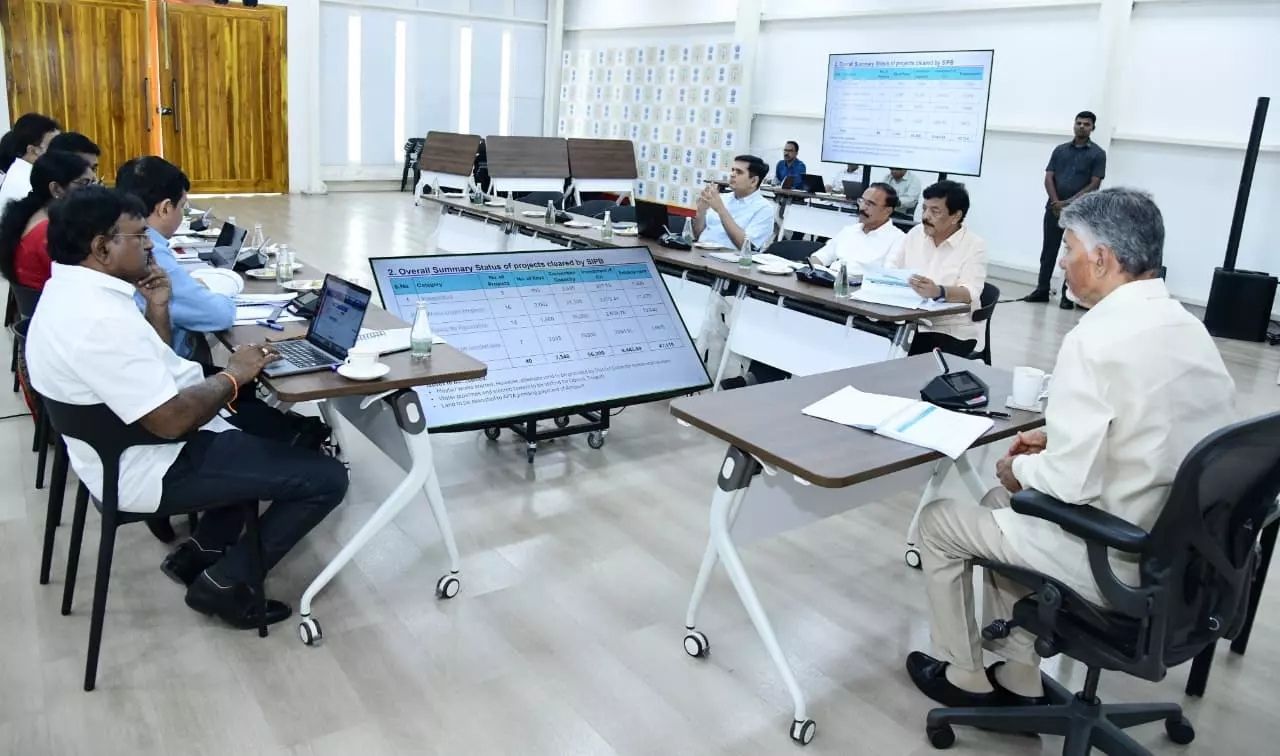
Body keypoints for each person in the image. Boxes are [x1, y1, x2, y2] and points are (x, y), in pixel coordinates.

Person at [904, 187, 1235, 711]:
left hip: (1113, 556)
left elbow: (1068, 484)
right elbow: (1153, 427)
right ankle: (1019, 672)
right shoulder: (1189, 329)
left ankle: (963, 674)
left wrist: (1020, 467)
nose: (1061, 263)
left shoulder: (1095, 338)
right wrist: (1055, 439)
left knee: (940, 521)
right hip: (1180, 558)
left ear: (1101, 259)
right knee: (997, 505)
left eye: (1068, 249)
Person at [25, 186, 348, 628]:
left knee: (265, 434)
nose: (149, 245)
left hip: (122, 446)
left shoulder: (71, 294)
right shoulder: (99, 320)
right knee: (327, 477)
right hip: (150, 461)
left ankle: (200, 552)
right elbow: (171, 420)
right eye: (139, 236)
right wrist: (233, 375)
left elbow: (149, 368)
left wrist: (159, 309)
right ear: (101, 248)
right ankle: (224, 585)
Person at [115, 156, 234, 359]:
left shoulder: (119, 238)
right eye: (182, 206)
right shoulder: (150, 253)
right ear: (165, 208)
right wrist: (221, 290)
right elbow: (219, 315)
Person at [884, 180, 987, 356]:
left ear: (956, 216)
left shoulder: (974, 246)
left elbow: (971, 293)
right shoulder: (916, 233)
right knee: (870, 338)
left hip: (949, 330)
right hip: (908, 320)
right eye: (924, 209)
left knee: (901, 354)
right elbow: (891, 266)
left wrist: (939, 291)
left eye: (935, 211)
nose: (926, 216)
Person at [1024, 111, 1107, 309]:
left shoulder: (1098, 154)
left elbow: (1094, 184)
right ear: (1074, 125)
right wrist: (1056, 202)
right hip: (1054, 209)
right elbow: (1049, 177)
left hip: (1080, 213)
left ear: (1092, 128)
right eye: (1078, 123)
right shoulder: (1060, 150)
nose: (1081, 126)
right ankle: (1042, 290)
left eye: (1086, 124)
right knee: (1048, 251)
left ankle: (1067, 296)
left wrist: (1068, 204)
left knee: (1075, 254)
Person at [0, 151, 96, 291]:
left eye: (94, 182)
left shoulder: (36, 216)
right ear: (56, 189)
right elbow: (84, 277)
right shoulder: (47, 232)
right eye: (85, 183)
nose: (93, 191)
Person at [809, 182, 905, 273]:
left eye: (870, 204)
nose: (862, 207)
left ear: (887, 211)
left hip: (860, 283)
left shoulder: (898, 239)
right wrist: (809, 269)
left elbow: (888, 276)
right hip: (831, 279)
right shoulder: (850, 230)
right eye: (861, 201)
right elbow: (822, 256)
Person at [694, 154, 775, 251]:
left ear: (753, 181)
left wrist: (721, 210)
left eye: (739, 172)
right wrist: (701, 211)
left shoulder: (764, 209)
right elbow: (698, 235)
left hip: (729, 258)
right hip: (700, 252)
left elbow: (747, 247)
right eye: (733, 170)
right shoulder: (722, 198)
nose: (732, 174)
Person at [0, 113, 62, 208]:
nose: (61, 151)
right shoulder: (25, 181)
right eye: (54, 146)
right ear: (33, 150)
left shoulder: (24, 170)